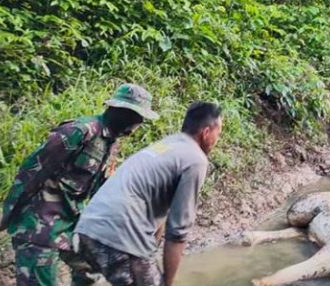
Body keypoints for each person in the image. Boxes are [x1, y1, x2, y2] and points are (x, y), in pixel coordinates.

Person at [0, 83, 158, 286]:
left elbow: (100, 189)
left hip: (71, 223)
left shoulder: (110, 142)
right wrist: (8, 213)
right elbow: (32, 171)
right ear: (122, 113)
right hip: (38, 225)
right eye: (137, 117)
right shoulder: (79, 131)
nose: (139, 123)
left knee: (91, 270)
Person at [74, 101, 223, 286]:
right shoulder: (195, 159)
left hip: (87, 229)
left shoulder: (166, 145)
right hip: (119, 236)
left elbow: (161, 217)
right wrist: (167, 283)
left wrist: (149, 254)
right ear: (206, 132)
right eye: (219, 133)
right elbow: (177, 233)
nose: (218, 140)